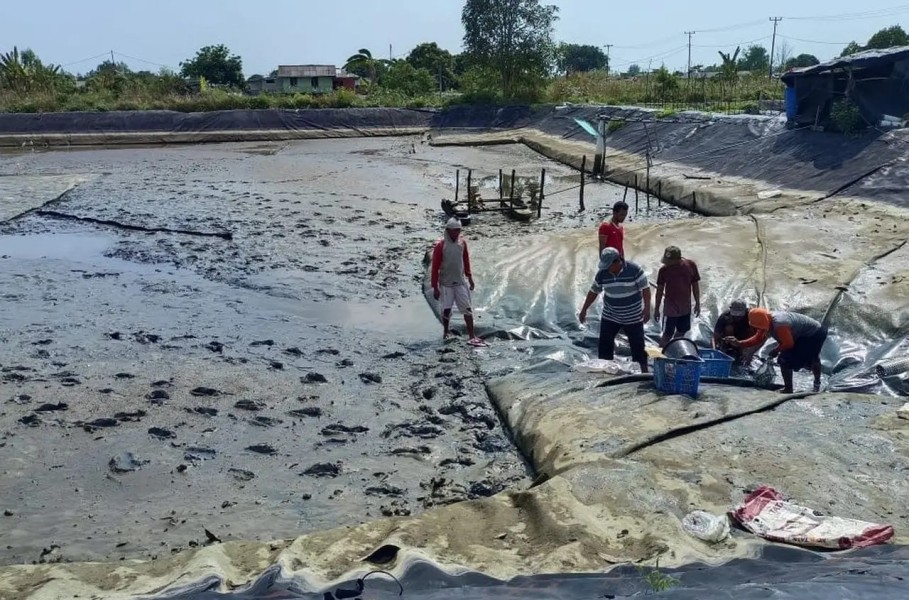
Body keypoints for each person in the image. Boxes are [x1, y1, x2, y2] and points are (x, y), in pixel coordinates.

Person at [578, 246, 651, 373]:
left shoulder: (634, 270)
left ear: (618, 261)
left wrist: (647, 309)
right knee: (605, 343)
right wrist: (584, 309)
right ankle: (605, 368)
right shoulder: (602, 274)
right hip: (611, 315)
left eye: (609, 265)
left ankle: (643, 371)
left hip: (632, 316)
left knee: (638, 345)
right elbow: (593, 291)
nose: (607, 268)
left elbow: (646, 289)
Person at [726, 308, 827, 393]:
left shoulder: (780, 324)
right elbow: (758, 338)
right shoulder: (764, 321)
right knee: (804, 358)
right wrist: (740, 343)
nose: (761, 329)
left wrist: (776, 350)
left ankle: (789, 388)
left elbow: (788, 344)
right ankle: (813, 381)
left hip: (814, 334)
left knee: (785, 360)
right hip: (801, 334)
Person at [430, 218, 486, 347]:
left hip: (460, 282)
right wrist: (435, 287)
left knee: (467, 308)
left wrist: (470, 277)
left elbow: (465, 260)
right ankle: (446, 332)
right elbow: (435, 267)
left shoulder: (462, 243)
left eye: (459, 231)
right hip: (446, 283)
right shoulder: (440, 246)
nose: (457, 233)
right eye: (455, 231)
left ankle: (472, 335)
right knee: (446, 309)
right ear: (448, 231)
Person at [654, 245, 701, 347]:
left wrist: (697, 303)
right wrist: (657, 309)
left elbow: (695, 285)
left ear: (677, 259)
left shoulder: (691, 265)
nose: (666, 263)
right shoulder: (664, 270)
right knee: (667, 334)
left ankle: (674, 347)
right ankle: (660, 355)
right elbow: (659, 290)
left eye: (669, 261)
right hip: (670, 308)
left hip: (685, 307)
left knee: (682, 330)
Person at [712, 299, 757, 365]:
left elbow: (757, 335)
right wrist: (714, 351)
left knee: (751, 329)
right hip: (728, 339)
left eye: (739, 315)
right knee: (729, 327)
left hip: (744, 339)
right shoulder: (725, 316)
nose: (737, 317)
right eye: (735, 315)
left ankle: (743, 353)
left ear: (746, 310)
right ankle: (727, 348)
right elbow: (715, 337)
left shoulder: (751, 316)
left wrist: (750, 351)